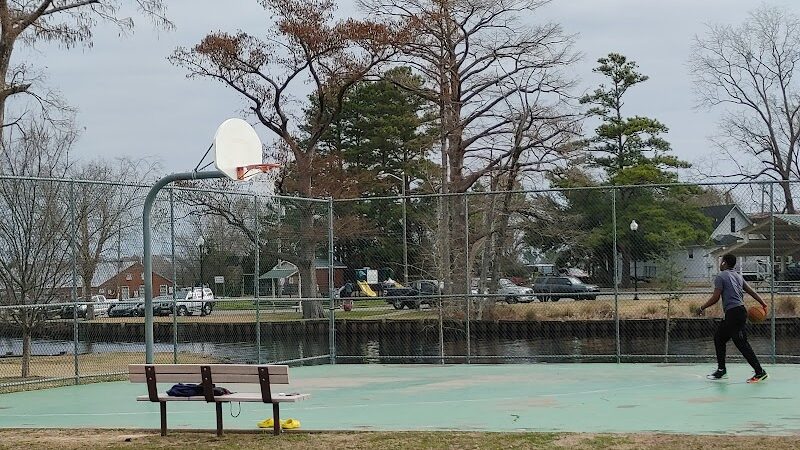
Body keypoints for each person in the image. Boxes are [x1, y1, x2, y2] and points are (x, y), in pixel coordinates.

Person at [698, 253, 769, 383]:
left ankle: (760, 372)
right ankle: (721, 370)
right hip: (737, 312)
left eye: (721, 261)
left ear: (724, 263)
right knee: (719, 338)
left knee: (740, 343)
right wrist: (763, 303)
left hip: (735, 313)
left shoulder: (720, 276)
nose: (719, 264)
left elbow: (716, 297)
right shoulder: (738, 276)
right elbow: (751, 291)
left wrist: (702, 307)